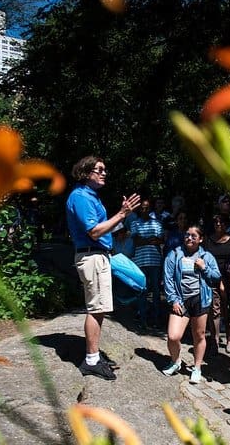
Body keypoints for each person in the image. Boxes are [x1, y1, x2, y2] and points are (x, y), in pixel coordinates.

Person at [65, 156, 140, 380]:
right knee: (96, 308)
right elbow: (95, 232)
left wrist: (123, 217)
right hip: (92, 256)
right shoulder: (80, 197)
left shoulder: (91, 197)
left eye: (105, 169)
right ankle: (91, 360)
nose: (104, 173)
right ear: (86, 173)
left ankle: (94, 356)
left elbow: (104, 228)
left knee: (100, 308)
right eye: (99, 170)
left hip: (99, 256)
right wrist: (122, 214)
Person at [162, 225, 221, 384]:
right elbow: (168, 279)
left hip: (200, 299)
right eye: (187, 235)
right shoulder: (174, 254)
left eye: (194, 236)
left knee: (199, 335)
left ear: (200, 239)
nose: (189, 238)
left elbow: (216, 277)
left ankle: (197, 368)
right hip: (180, 300)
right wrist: (173, 299)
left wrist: (204, 267)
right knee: (173, 336)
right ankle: (176, 361)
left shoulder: (206, 256)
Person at [203, 213, 230, 354]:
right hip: (212, 277)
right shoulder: (208, 240)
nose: (218, 224)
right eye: (216, 222)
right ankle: (214, 340)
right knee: (214, 309)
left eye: (221, 222)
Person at [131, 198, 166, 329]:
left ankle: (156, 319)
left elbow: (160, 240)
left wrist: (147, 240)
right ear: (140, 210)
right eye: (142, 208)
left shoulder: (157, 223)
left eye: (147, 208)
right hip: (140, 261)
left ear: (150, 209)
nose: (144, 210)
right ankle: (143, 320)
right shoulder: (135, 223)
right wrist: (150, 240)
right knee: (142, 291)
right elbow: (136, 241)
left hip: (155, 261)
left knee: (156, 292)